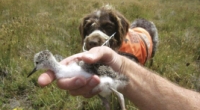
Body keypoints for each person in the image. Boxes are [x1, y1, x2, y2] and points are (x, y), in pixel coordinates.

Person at [38, 46, 200, 110]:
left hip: (101, 73)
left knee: (104, 87)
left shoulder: (73, 66)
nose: (36, 67)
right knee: (100, 89)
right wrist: (122, 67)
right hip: (98, 75)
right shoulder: (65, 69)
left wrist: (120, 70)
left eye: (38, 63)